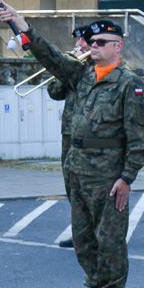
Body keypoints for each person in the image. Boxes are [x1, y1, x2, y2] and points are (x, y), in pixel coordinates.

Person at [0, 4, 144, 288]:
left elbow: (140, 140)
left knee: (109, 243)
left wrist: (127, 178)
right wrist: (21, 24)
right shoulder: (81, 75)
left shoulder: (129, 84)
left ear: (117, 46)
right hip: (79, 172)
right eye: (91, 42)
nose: (93, 47)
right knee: (84, 242)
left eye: (101, 43)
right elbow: (50, 57)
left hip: (109, 178)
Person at [48, 24, 94, 248]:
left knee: (89, 187)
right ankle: (81, 232)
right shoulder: (73, 66)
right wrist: (64, 71)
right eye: (77, 42)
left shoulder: (95, 67)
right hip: (69, 131)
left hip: (88, 134)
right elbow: (54, 92)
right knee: (71, 184)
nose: (78, 45)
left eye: (82, 41)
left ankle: (95, 232)